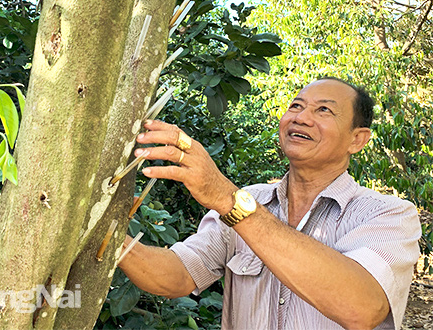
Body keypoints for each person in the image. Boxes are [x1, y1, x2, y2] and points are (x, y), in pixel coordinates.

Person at [118, 77, 421, 330]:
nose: (301, 117)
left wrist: (227, 197)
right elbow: (179, 276)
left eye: (324, 110)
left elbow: (362, 308)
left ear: (357, 139)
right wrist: (111, 237)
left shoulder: (388, 214)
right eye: (296, 106)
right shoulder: (253, 198)